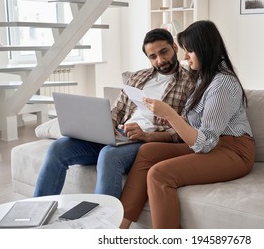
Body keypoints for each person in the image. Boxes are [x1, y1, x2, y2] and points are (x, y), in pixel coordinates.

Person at [119, 20, 255, 229]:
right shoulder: (204, 77)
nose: (184, 57)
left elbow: (205, 142)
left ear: (204, 49)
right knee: (147, 152)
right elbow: (195, 131)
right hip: (213, 145)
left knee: (159, 174)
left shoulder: (223, 83)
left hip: (233, 151)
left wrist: (170, 114)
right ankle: (120, 227)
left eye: (189, 51)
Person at [33, 28, 194, 199]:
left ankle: (104, 223)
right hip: (120, 134)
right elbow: (117, 110)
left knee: (108, 155)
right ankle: (37, 212)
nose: (160, 60)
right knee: (59, 147)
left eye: (164, 52)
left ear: (175, 48)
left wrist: (147, 135)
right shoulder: (138, 77)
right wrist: (107, 124)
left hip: (146, 141)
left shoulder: (190, 82)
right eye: (153, 57)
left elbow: (183, 130)